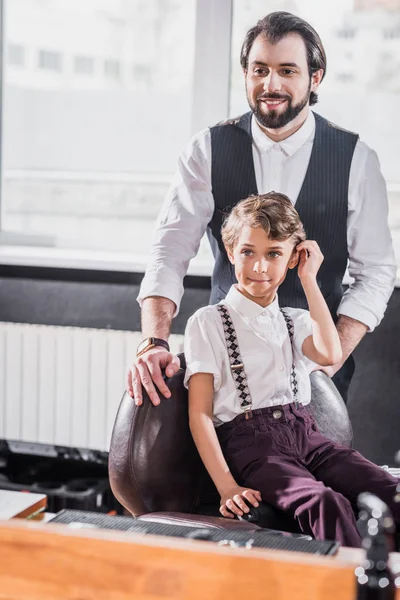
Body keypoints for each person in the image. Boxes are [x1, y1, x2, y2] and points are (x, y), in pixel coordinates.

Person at [128, 11, 396, 405]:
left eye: (287, 70)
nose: (271, 84)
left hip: (317, 377)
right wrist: (153, 340)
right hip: (223, 364)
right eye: (259, 70)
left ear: (315, 77)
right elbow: (169, 251)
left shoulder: (357, 159)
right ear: (246, 74)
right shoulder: (206, 150)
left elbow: (376, 272)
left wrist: (328, 361)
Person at [184, 193, 399, 547]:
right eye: (248, 252)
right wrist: (227, 486)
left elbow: (330, 353)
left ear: (292, 258)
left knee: (389, 489)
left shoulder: (295, 320)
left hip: (309, 437)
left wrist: (309, 280)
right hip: (254, 447)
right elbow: (201, 416)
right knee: (324, 502)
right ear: (230, 250)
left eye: (274, 254)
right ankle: (351, 588)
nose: (260, 267)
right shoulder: (209, 323)